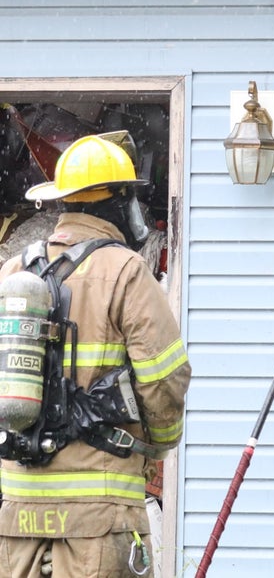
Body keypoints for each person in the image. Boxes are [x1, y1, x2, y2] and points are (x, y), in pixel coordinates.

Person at [0, 133, 191, 577]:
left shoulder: (12, 270)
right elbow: (165, 379)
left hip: (18, 507)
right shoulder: (125, 270)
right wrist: (156, 446)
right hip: (99, 511)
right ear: (118, 201)